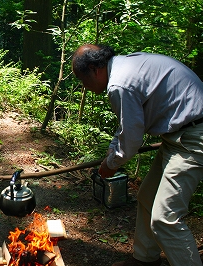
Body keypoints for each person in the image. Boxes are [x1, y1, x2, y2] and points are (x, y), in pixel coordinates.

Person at [72, 44, 203, 266]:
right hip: (178, 135)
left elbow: (130, 141)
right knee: (147, 196)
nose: (84, 86)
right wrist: (110, 155)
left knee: (165, 219)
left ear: (95, 69)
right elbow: (126, 127)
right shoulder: (124, 67)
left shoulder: (119, 85)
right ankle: (145, 260)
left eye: (83, 80)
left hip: (193, 137)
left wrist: (110, 165)